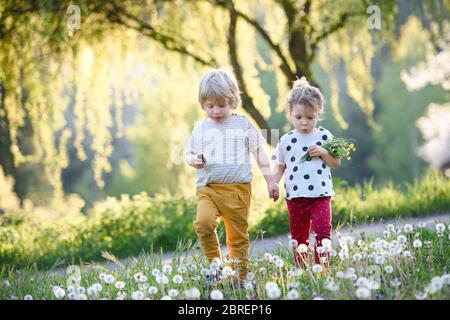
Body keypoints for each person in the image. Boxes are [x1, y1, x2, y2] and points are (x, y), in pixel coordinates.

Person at [185, 68, 279, 284]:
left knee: (237, 237)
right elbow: (188, 153)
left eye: (221, 105)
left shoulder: (243, 124)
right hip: (208, 189)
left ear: (233, 101)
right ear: (203, 103)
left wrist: (270, 180)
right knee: (203, 223)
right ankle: (214, 265)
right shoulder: (201, 128)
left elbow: (259, 153)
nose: (216, 111)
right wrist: (193, 159)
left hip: (238, 191)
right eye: (210, 106)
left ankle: (238, 278)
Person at [271, 77, 341, 268]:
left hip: (321, 194)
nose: (304, 123)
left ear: (318, 114)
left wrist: (324, 152)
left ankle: (322, 269)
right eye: (298, 117)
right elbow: (280, 166)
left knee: (322, 231)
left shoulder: (325, 136)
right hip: (296, 197)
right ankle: (302, 271)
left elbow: (336, 162)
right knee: (299, 238)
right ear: (290, 114)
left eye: (310, 118)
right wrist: (273, 183)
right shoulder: (286, 140)